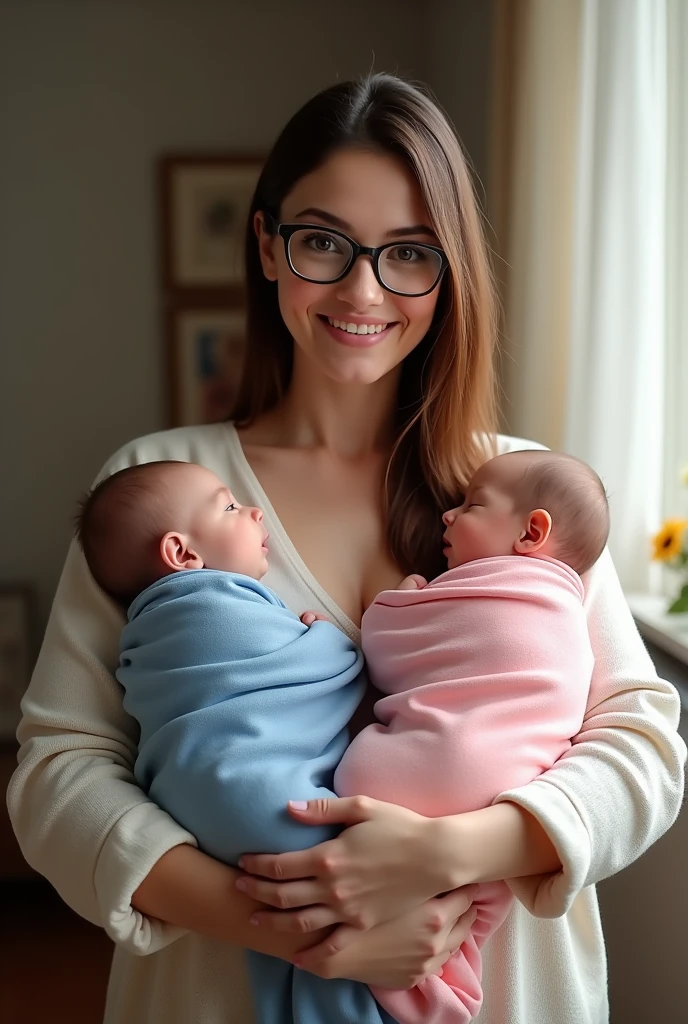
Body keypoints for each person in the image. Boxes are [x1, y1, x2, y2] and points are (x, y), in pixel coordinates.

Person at [7, 73, 685, 1024]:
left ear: (449, 274)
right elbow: (57, 776)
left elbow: (644, 748)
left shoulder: (531, 490)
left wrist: (456, 853)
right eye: (324, 241)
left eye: (409, 253)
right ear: (267, 246)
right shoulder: (161, 482)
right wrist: (286, 923)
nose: (364, 289)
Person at [74, 458, 392, 1024]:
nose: (252, 510)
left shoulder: (151, 627)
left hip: (199, 803)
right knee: (335, 944)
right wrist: (328, 639)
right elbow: (315, 671)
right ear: (181, 554)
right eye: (227, 506)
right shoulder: (208, 603)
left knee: (292, 963)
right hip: (252, 790)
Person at [338, 447, 609, 1023]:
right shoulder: (566, 604)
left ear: (532, 532)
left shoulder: (489, 588)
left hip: (421, 780)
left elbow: (389, 650)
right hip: (511, 800)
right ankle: (445, 995)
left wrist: (404, 601)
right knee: (470, 922)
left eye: (471, 505)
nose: (448, 515)